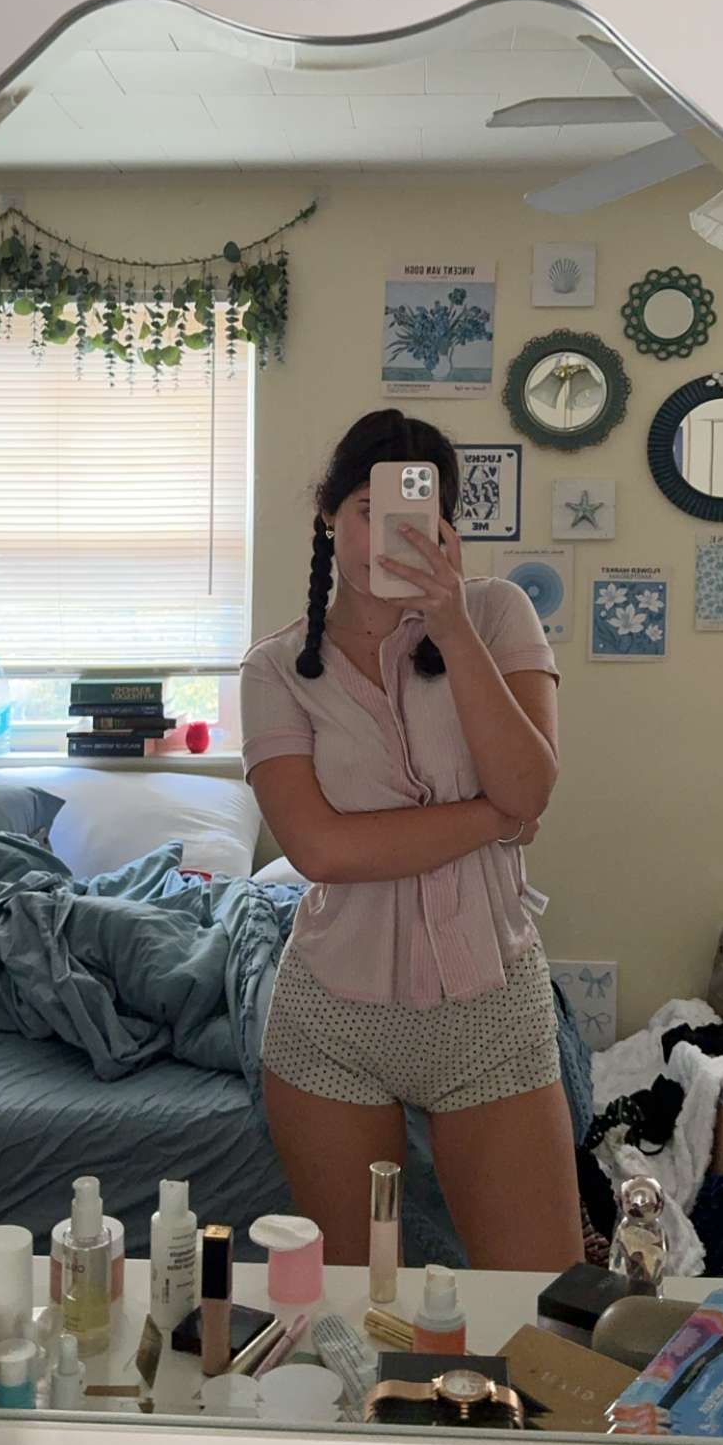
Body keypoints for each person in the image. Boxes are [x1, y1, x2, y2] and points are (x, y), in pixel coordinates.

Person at [240, 408, 584, 1271]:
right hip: (331, 1019)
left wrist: (451, 625)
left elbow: (531, 784)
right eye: (367, 510)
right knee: (358, 1301)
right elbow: (321, 851)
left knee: (536, 1296)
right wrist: (494, 820)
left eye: (414, 515)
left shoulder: (496, 615)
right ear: (328, 515)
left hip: (492, 1012)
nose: (387, 536)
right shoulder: (275, 669)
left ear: (445, 526)